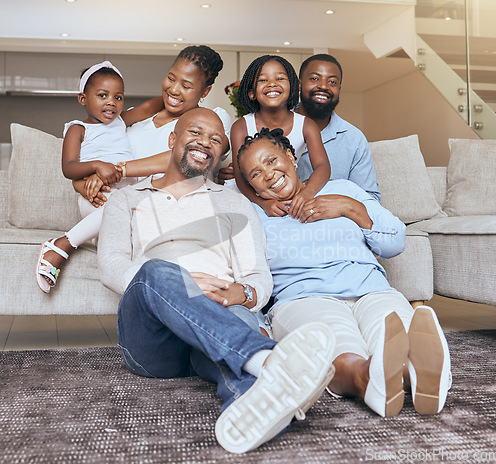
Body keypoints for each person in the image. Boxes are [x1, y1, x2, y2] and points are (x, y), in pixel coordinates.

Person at [97, 108, 337, 454]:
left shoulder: (234, 203)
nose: (204, 143)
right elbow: (111, 266)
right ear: (172, 140)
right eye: (195, 133)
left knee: (234, 317)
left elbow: (257, 276)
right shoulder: (128, 199)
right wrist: (180, 282)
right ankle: (268, 359)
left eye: (215, 139)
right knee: (155, 270)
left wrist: (243, 292)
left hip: (215, 319)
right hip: (152, 341)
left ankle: (249, 407)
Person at [237, 127, 452, 418]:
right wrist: (258, 323)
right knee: (335, 342)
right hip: (305, 298)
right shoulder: (254, 215)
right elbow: (247, 275)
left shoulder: (345, 190)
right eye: (256, 174)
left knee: (392, 327)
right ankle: (366, 378)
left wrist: (350, 208)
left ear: (290, 156)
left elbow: (395, 242)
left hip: (370, 288)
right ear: (252, 186)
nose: (268, 174)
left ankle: (412, 372)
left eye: (272, 160)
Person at [35, 61, 163, 293]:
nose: (111, 102)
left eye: (118, 97)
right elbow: (69, 167)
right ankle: (60, 245)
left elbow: (152, 106)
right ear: (83, 99)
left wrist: (175, 93)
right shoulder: (78, 129)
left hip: (126, 194)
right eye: (103, 95)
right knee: (116, 209)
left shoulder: (121, 121)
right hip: (96, 196)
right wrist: (97, 165)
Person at [78, 45, 232, 210]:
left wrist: (118, 170)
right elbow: (93, 149)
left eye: (186, 86)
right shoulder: (136, 119)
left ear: (205, 91)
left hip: (165, 204)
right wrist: (86, 185)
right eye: (171, 78)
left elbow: (189, 158)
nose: (173, 89)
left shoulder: (215, 119)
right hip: (115, 198)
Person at [229, 55, 331, 219]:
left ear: (292, 86)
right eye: (263, 80)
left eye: (280, 78)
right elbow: (241, 178)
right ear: (251, 93)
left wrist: (308, 192)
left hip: (288, 188)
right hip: (257, 195)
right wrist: (264, 203)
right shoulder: (240, 127)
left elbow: (322, 166)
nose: (272, 84)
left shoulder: (307, 125)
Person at [296, 54, 381, 201]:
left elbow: (370, 199)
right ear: (299, 84)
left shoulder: (354, 139)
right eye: (315, 79)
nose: (323, 86)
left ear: (339, 89)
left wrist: (337, 205)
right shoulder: (275, 125)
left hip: (333, 220)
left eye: (332, 82)